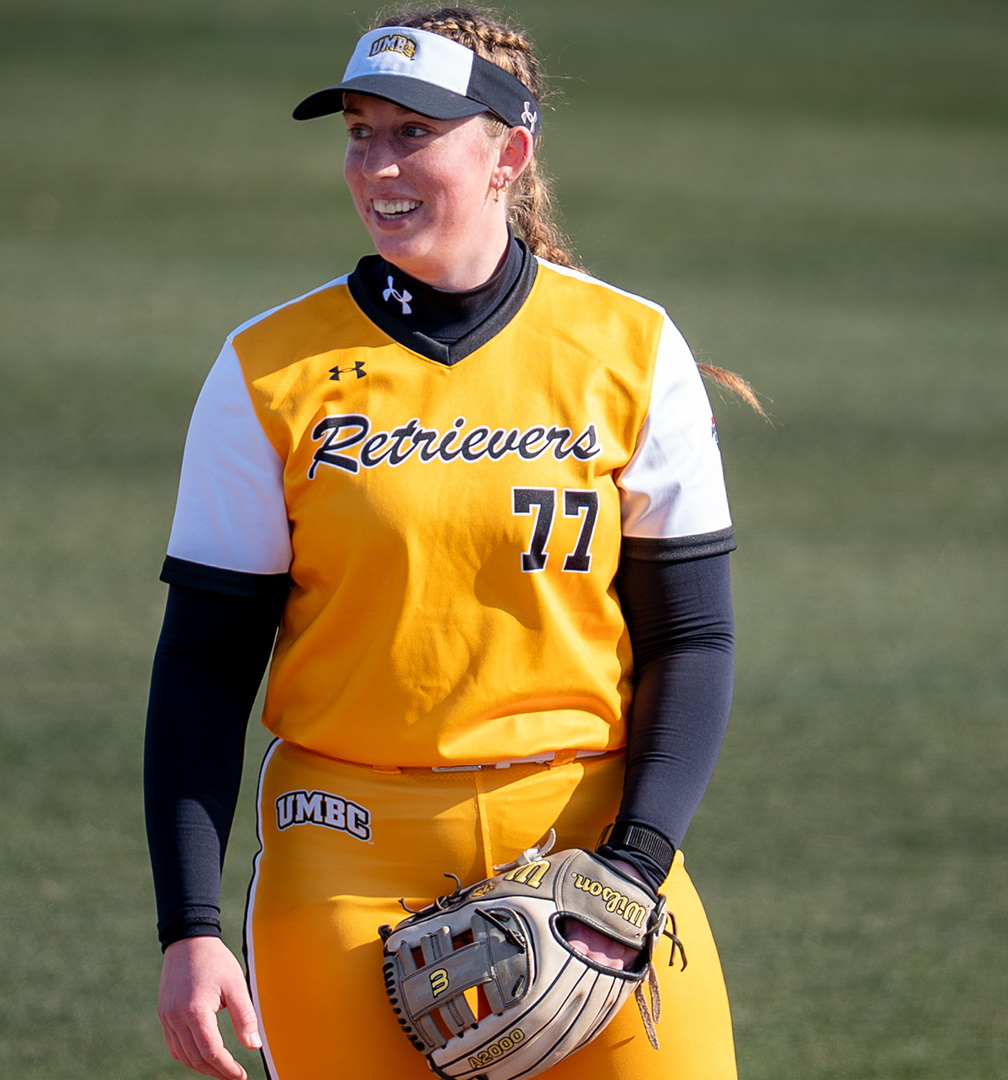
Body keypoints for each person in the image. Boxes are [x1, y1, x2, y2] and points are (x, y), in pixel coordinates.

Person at [143, 8, 758, 1079]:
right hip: (344, 854)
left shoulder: (629, 347)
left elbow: (693, 641)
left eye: (412, 133)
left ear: (506, 154)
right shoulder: (267, 371)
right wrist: (190, 926)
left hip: (590, 853)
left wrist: (633, 869)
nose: (376, 162)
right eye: (360, 132)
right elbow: (203, 662)